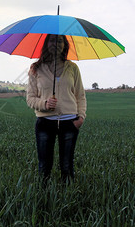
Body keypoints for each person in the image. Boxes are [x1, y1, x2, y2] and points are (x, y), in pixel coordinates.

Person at [26, 34, 86, 183]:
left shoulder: (72, 67)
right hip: (45, 123)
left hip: (69, 122)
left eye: (60, 40)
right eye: (52, 40)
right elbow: (30, 98)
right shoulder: (36, 68)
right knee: (44, 166)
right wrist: (44, 104)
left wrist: (81, 118)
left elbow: (80, 96)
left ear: (65, 44)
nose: (56, 43)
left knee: (67, 166)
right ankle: (44, 199)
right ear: (46, 44)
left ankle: (66, 197)